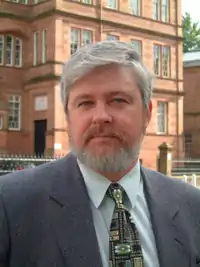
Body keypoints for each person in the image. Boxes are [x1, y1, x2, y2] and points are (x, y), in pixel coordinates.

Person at [0, 41, 200, 267]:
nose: (101, 116)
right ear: (68, 117)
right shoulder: (9, 205)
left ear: (147, 113)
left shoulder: (191, 207)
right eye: (85, 103)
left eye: (118, 100)